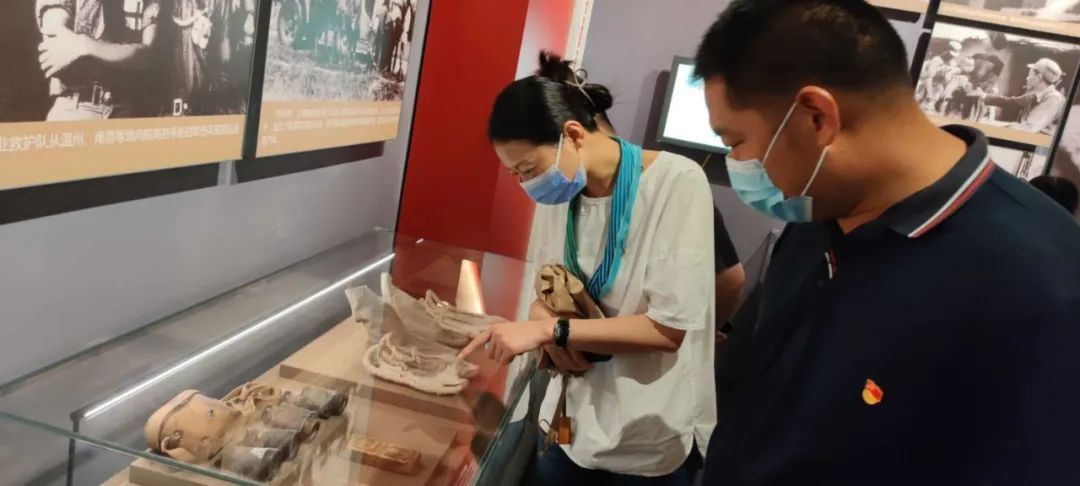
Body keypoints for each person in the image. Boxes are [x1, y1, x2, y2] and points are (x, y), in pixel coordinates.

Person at [694, 1, 1080, 484]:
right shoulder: (817, 212)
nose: (737, 164)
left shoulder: (1041, 282)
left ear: (817, 117)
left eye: (734, 143)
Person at [460, 52, 716, 484]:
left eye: (529, 169)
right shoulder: (562, 195)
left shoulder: (676, 182)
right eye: (516, 174)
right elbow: (547, 289)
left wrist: (549, 330)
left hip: (647, 432)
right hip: (572, 419)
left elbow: (668, 330)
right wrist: (538, 317)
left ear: (573, 134)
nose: (526, 185)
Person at [36, 0, 167, 120]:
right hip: (79, 109)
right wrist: (117, 53)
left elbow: (146, 56)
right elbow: (57, 50)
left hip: (128, 109)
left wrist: (85, 45)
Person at [979, 57, 1066, 134]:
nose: (1027, 78)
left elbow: (1028, 129)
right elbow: (1013, 102)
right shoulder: (1035, 95)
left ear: (1039, 77)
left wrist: (996, 128)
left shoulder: (1053, 99)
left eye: (1029, 74)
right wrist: (985, 97)